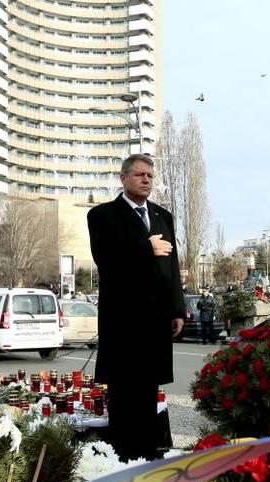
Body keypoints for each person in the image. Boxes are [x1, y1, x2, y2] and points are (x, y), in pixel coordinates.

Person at [87, 154, 185, 461]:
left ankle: (147, 459)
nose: (146, 180)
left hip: (155, 321)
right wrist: (147, 248)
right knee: (123, 395)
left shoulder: (162, 216)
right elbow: (106, 257)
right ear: (123, 178)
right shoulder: (103, 215)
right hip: (123, 322)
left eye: (150, 176)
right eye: (140, 174)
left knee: (148, 396)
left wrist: (178, 309)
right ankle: (123, 461)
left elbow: (173, 266)